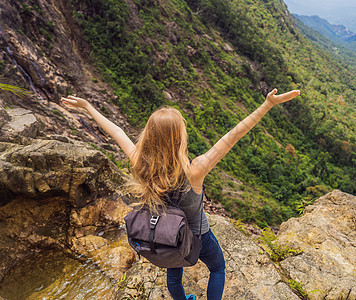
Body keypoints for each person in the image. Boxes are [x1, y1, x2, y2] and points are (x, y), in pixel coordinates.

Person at [61, 88, 300, 300]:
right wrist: (267, 105)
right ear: (179, 137)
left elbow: (117, 132)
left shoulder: (141, 164)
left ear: (150, 136)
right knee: (217, 268)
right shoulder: (195, 170)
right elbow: (234, 135)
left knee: (174, 277)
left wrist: (88, 107)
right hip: (198, 237)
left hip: (166, 238)